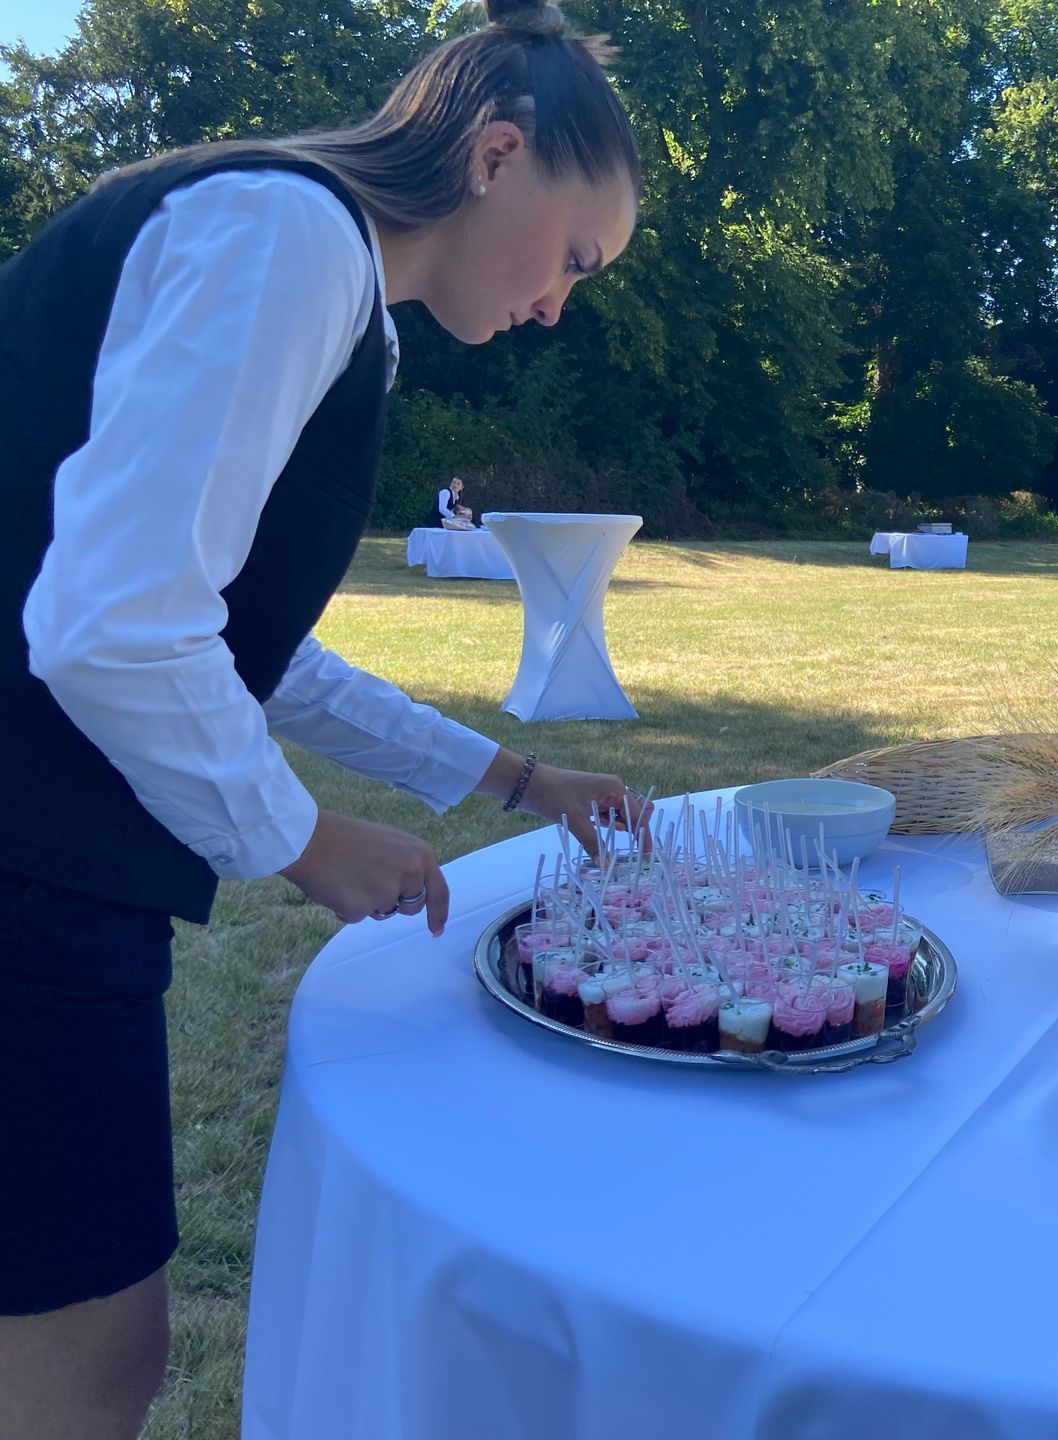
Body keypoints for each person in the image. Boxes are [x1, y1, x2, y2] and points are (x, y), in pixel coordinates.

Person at [0, 3, 649, 1434]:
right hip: (28, 876)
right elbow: (111, 623)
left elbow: (245, 643)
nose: (560, 302)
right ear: (496, 153)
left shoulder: (313, 271)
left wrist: (512, 775)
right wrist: (297, 838)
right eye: (576, 257)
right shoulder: (285, 239)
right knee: (84, 1353)